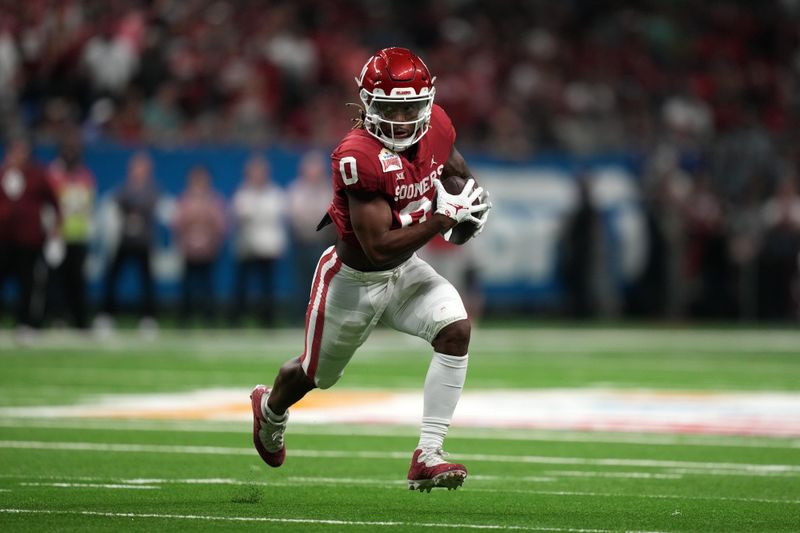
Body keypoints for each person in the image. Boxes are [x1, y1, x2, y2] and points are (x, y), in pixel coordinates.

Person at [249, 47, 490, 492]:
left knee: (456, 329)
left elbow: (451, 163)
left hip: (407, 271)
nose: (401, 119)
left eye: (409, 108)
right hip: (353, 281)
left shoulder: (435, 123)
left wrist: (469, 197)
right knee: (315, 376)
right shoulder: (357, 155)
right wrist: (441, 218)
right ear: (367, 105)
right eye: (390, 108)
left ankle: (428, 454)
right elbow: (376, 247)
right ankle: (269, 407)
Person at [0, 138, 61, 339]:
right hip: (3, 239)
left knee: (27, 283)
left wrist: (56, 231)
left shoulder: (37, 174)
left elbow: (54, 202)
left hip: (30, 240)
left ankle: (25, 323)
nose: (18, 156)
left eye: (22, 151)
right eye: (15, 151)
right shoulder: (3, 174)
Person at [98, 151, 160, 335]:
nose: (139, 172)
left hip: (144, 242)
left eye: (143, 168)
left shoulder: (153, 190)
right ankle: (107, 316)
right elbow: (116, 206)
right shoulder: (123, 189)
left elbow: (150, 205)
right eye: (137, 168)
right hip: (123, 240)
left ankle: (148, 318)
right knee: (113, 278)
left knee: (147, 281)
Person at [230, 154, 288, 326]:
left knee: (267, 286)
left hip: (268, 248)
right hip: (246, 247)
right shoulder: (242, 193)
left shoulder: (275, 193)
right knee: (242, 286)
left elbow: (274, 216)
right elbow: (239, 215)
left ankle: (267, 320)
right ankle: (238, 319)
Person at [47, 132, 96, 329]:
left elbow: (88, 206)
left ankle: (79, 320)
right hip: (58, 236)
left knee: (77, 281)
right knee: (56, 281)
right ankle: (56, 317)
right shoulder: (54, 175)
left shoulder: (85, 176)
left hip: (79, 236)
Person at [172, 165, 227, 326]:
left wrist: (212, 241)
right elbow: (178, 224)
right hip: (189, 249)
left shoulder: (215, 200)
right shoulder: (184, 199)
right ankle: (184, 318)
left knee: (208, 286)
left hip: (208, 250)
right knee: (187, 286)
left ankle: (209, 318)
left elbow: (221, 225)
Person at [286, 150, 335, 321]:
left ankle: (322, 318)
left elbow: (330, 214)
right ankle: (299, 319)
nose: (313, 172)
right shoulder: (295, 189)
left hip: (322, 243)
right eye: (310, 168)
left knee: (322, 284)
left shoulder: (329, 189)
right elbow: (294, 215)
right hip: (301, 242)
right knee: (301, 283)